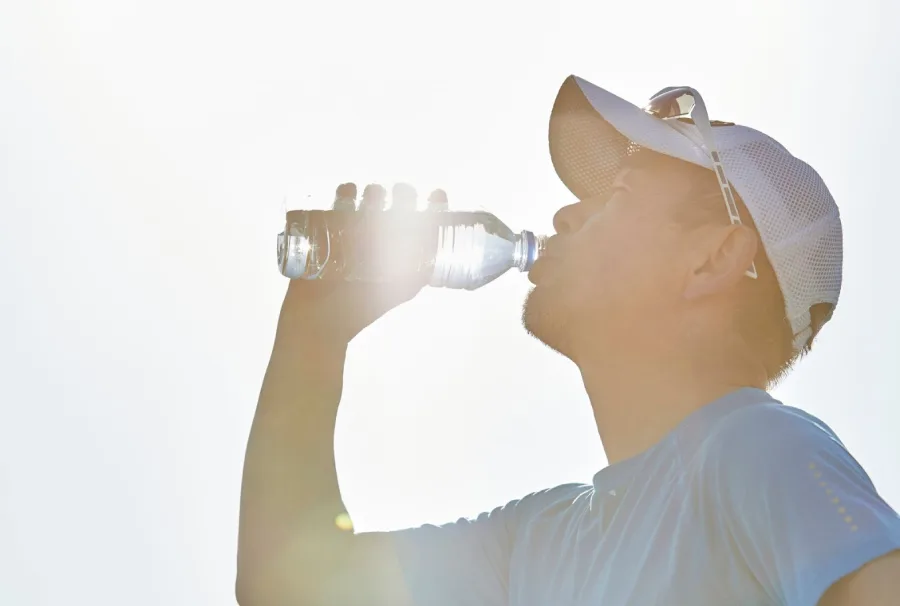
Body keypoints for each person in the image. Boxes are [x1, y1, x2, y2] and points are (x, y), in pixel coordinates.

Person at [236, 75, 900, 605]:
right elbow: (286, 584)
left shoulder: (758, 450)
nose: (564, 213)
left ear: (712, 260)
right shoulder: (542, 541)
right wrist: (313, 335)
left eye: (619, 193)